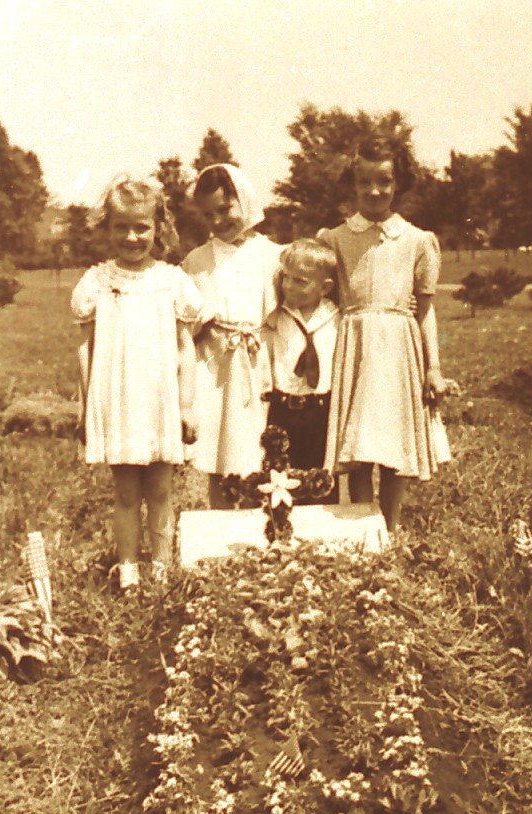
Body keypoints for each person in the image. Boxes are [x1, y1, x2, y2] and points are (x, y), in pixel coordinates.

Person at [71, 176, 203, 593]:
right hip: (119, 399)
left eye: (141, 227)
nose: (132, 236)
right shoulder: (97, 281)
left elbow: (186, 349)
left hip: (159, 399)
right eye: (121, 227)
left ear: (158, 227)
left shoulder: (172, 280)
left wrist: (185, 405)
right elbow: (85, 349)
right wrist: (84, 406)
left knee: (161, 489)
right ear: (107, 228)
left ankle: (161, 567)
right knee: (126, 492)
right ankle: (128, 568)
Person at [318, 136, 447, 532]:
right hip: (353, 345)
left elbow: (424, 311)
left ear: (398, 184)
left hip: (397, 349)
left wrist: (433, 368)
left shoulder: (415, 240)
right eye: (365, 182)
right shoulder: (336, 239)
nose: (374, 191)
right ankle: (363, 529)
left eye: (384, 181)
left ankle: (389, 529)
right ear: (352, 185)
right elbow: (323, 299)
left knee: (391, 444)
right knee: (359, 445)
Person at [182, 164, 281, 508]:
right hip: (217, 368)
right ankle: (220, 520)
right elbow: (187, 319)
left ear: (245, 200)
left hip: (260, 360)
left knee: (260, 450)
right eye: (209, 214)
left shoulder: (272, 255)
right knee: (220, 449)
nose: (218, 220)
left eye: (225, 209)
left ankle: (263, 521)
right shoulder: (196, 261)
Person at [261, 238, 340, 503]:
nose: (288, 286)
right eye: (286, 278)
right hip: (283, 410)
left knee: (320, 479)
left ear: (325, 287)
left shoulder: (337, 317)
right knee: (279, 480)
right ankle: (281, 532)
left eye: (300, 281)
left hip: (321, 410)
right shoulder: (276, 315)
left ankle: (319, 536)